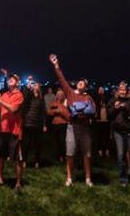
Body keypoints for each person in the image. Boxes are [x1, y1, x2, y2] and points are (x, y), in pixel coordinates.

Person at [48, 53, 95, 186]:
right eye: (79, 81)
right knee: (70, 153)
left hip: (85, 128)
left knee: (87, 154)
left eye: (84, 83)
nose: (81, 83)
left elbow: (93, 111)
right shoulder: (70, 92)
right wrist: (56, 65)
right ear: (76, 84)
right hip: (72, 126)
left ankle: (88, 178)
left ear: (85, 86)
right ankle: (69, 178)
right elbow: (61, 79)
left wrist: (81, 111)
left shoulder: (88, 97)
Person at [0, 71, 25, 190]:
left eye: (13, 78)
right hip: (3, 130)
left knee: (17, 158)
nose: (10, 79)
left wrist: (1, 101)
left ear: (17, 83)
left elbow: (14, 110)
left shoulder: (19, 95)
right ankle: (0, 180)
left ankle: (18, 183)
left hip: (14, 131)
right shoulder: (4, 94)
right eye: (9, 78)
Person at [109, 81, 130, 185]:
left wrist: (125, 107)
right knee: (120, 156)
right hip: (118, 132)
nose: (122, 91)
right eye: (121, 90)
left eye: (124, 90)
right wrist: (115, 108)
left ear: (126, 91)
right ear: (118, 91)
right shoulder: (113, 100)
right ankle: (123, 179)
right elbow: (110, 115)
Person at [22, 79, 48, 167]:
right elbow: (25, 97)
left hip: (37, 123)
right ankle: (24, 160)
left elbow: (43, 112)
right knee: (27, 143)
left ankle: (37, 161)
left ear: (39, 88)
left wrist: (44, 124)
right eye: (34, 85)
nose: (35, 86)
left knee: (38, 144)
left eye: (37, 85)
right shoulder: (29, 97)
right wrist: (28, 84)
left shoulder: (41, 99)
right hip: (28, 122)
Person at [48, 88, 69, 163]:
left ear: (63, 96)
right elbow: (49, 112)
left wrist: (60, 112)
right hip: (54, 124)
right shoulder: (53, 103)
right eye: (58, 94)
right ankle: (57, 156)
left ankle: (63, 156)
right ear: (56, 96)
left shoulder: (65, 104)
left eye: (61, 95)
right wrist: (56, 111)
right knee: (55, 141)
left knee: (62, 141)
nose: (60, 96)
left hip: (63, 124)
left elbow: (67, 114)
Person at [93, 86, 111, 158]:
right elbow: (95, 106)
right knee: (99, 136)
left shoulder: (107, 98)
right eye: (100, 90)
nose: (101, 91)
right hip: (99, 120)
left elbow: (109, 106)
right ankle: (100, 151)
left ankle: (107, 151)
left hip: (106, 120)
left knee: (106, 136)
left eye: (102, 90)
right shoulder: (96, 98)